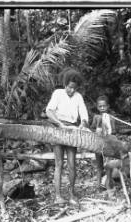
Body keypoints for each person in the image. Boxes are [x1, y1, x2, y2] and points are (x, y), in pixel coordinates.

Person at [46, 68, 89, 205]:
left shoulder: (78, 97)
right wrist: (59, 123)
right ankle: (58, 196)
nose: (71, 90)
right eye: (70, 87)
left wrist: (82, 124)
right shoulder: (58, 93)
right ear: (65, 84)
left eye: (74, 88)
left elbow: (84, 115)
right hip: (58, 129)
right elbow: (49, 111)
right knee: (58, 164)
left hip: (72, 130)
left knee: (72, 164)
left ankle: (71, 194)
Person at [90, 95, 116, 188]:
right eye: (100, 106)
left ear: (108, 106)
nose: (102, 108)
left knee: (108, 165)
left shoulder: (111, 118)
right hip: (98, 145)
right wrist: (96, 130)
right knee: (99, 166)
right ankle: (98, 185)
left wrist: (109, 133)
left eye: (104, 106)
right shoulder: (96, 117)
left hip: (108, 145)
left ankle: (109, 184)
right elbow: (92, 128)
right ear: (97, 107)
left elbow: (114, 131)